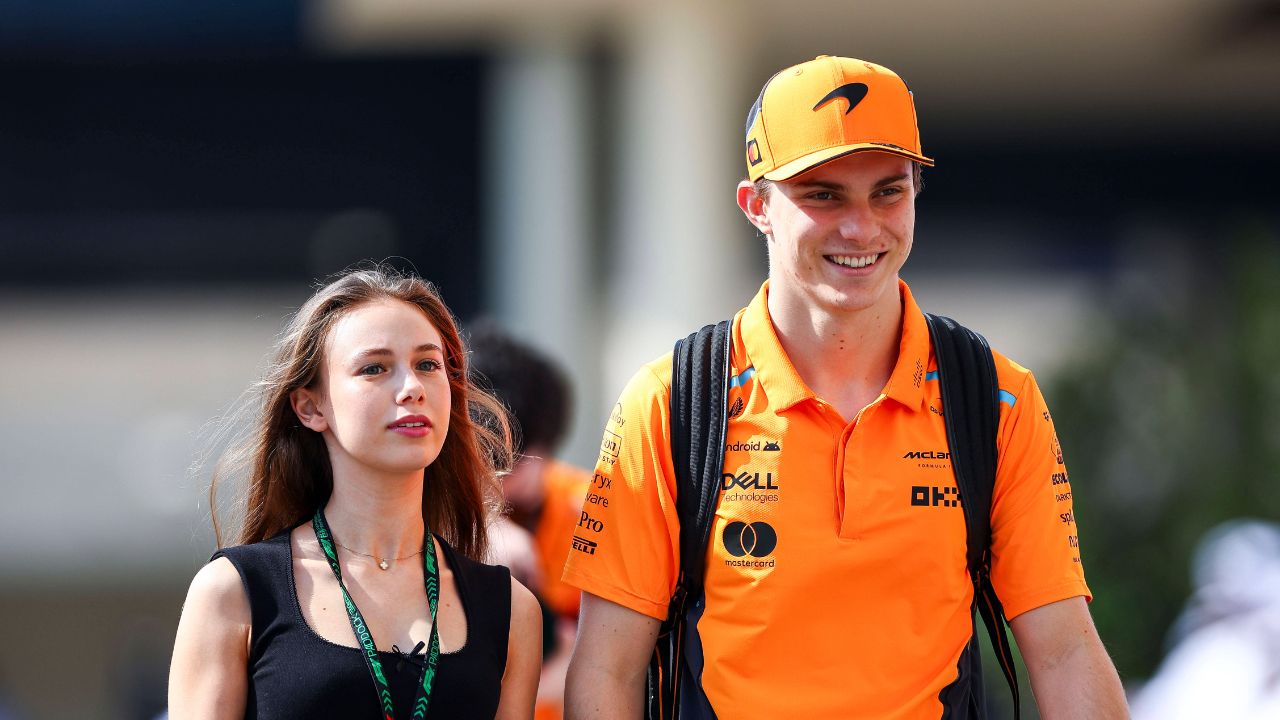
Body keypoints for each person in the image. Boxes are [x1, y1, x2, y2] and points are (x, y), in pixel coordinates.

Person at [563, 55, 1129, 718]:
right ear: (757, 205)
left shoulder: (995, 398)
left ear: (916, 193)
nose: (861, 227)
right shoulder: (673, 403)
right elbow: (606, 667)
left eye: (887, 191)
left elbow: (1062, 651)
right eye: (823, 195)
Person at [168, 266, 542, 719]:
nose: (411, 389)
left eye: (428, 364)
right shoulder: (233, 593)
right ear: (310, 406)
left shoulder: (511, 612)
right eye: (374, 368)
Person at [469, 322, 592, 720]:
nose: (502, 477)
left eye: (517, 459)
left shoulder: (590, 508)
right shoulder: (430, 517)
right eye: (489, 458)